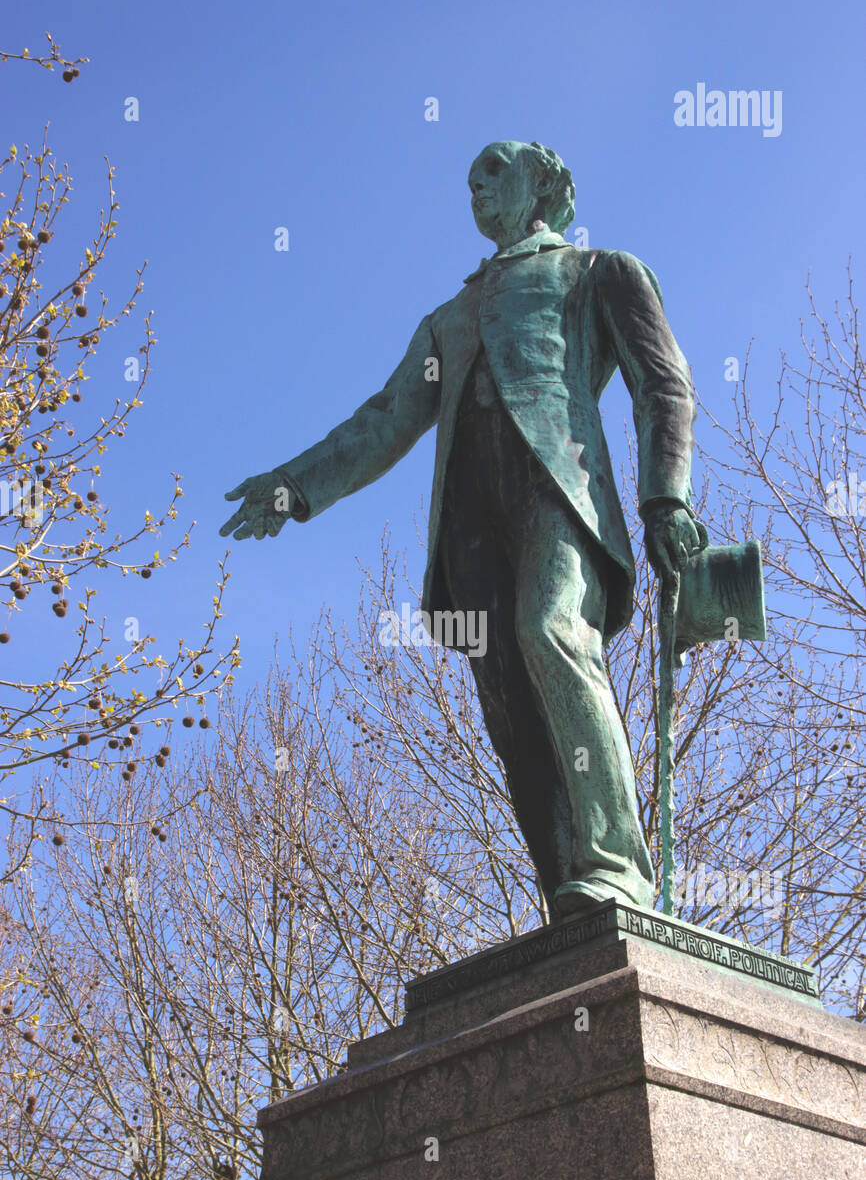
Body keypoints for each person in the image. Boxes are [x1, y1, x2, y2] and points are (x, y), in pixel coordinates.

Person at [220, 140, 707, 917]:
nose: (476, 186)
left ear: (542, 183)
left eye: (495, 168)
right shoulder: (448, 319)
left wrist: (665, 499)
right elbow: (385, 420)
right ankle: (569, 903)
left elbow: (664, 386)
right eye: (469, 180)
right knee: (508, 701)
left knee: (552, 630)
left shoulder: (598, 271)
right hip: (471, 522)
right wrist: (293, 487)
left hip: (560, 491)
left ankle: (618, 864)